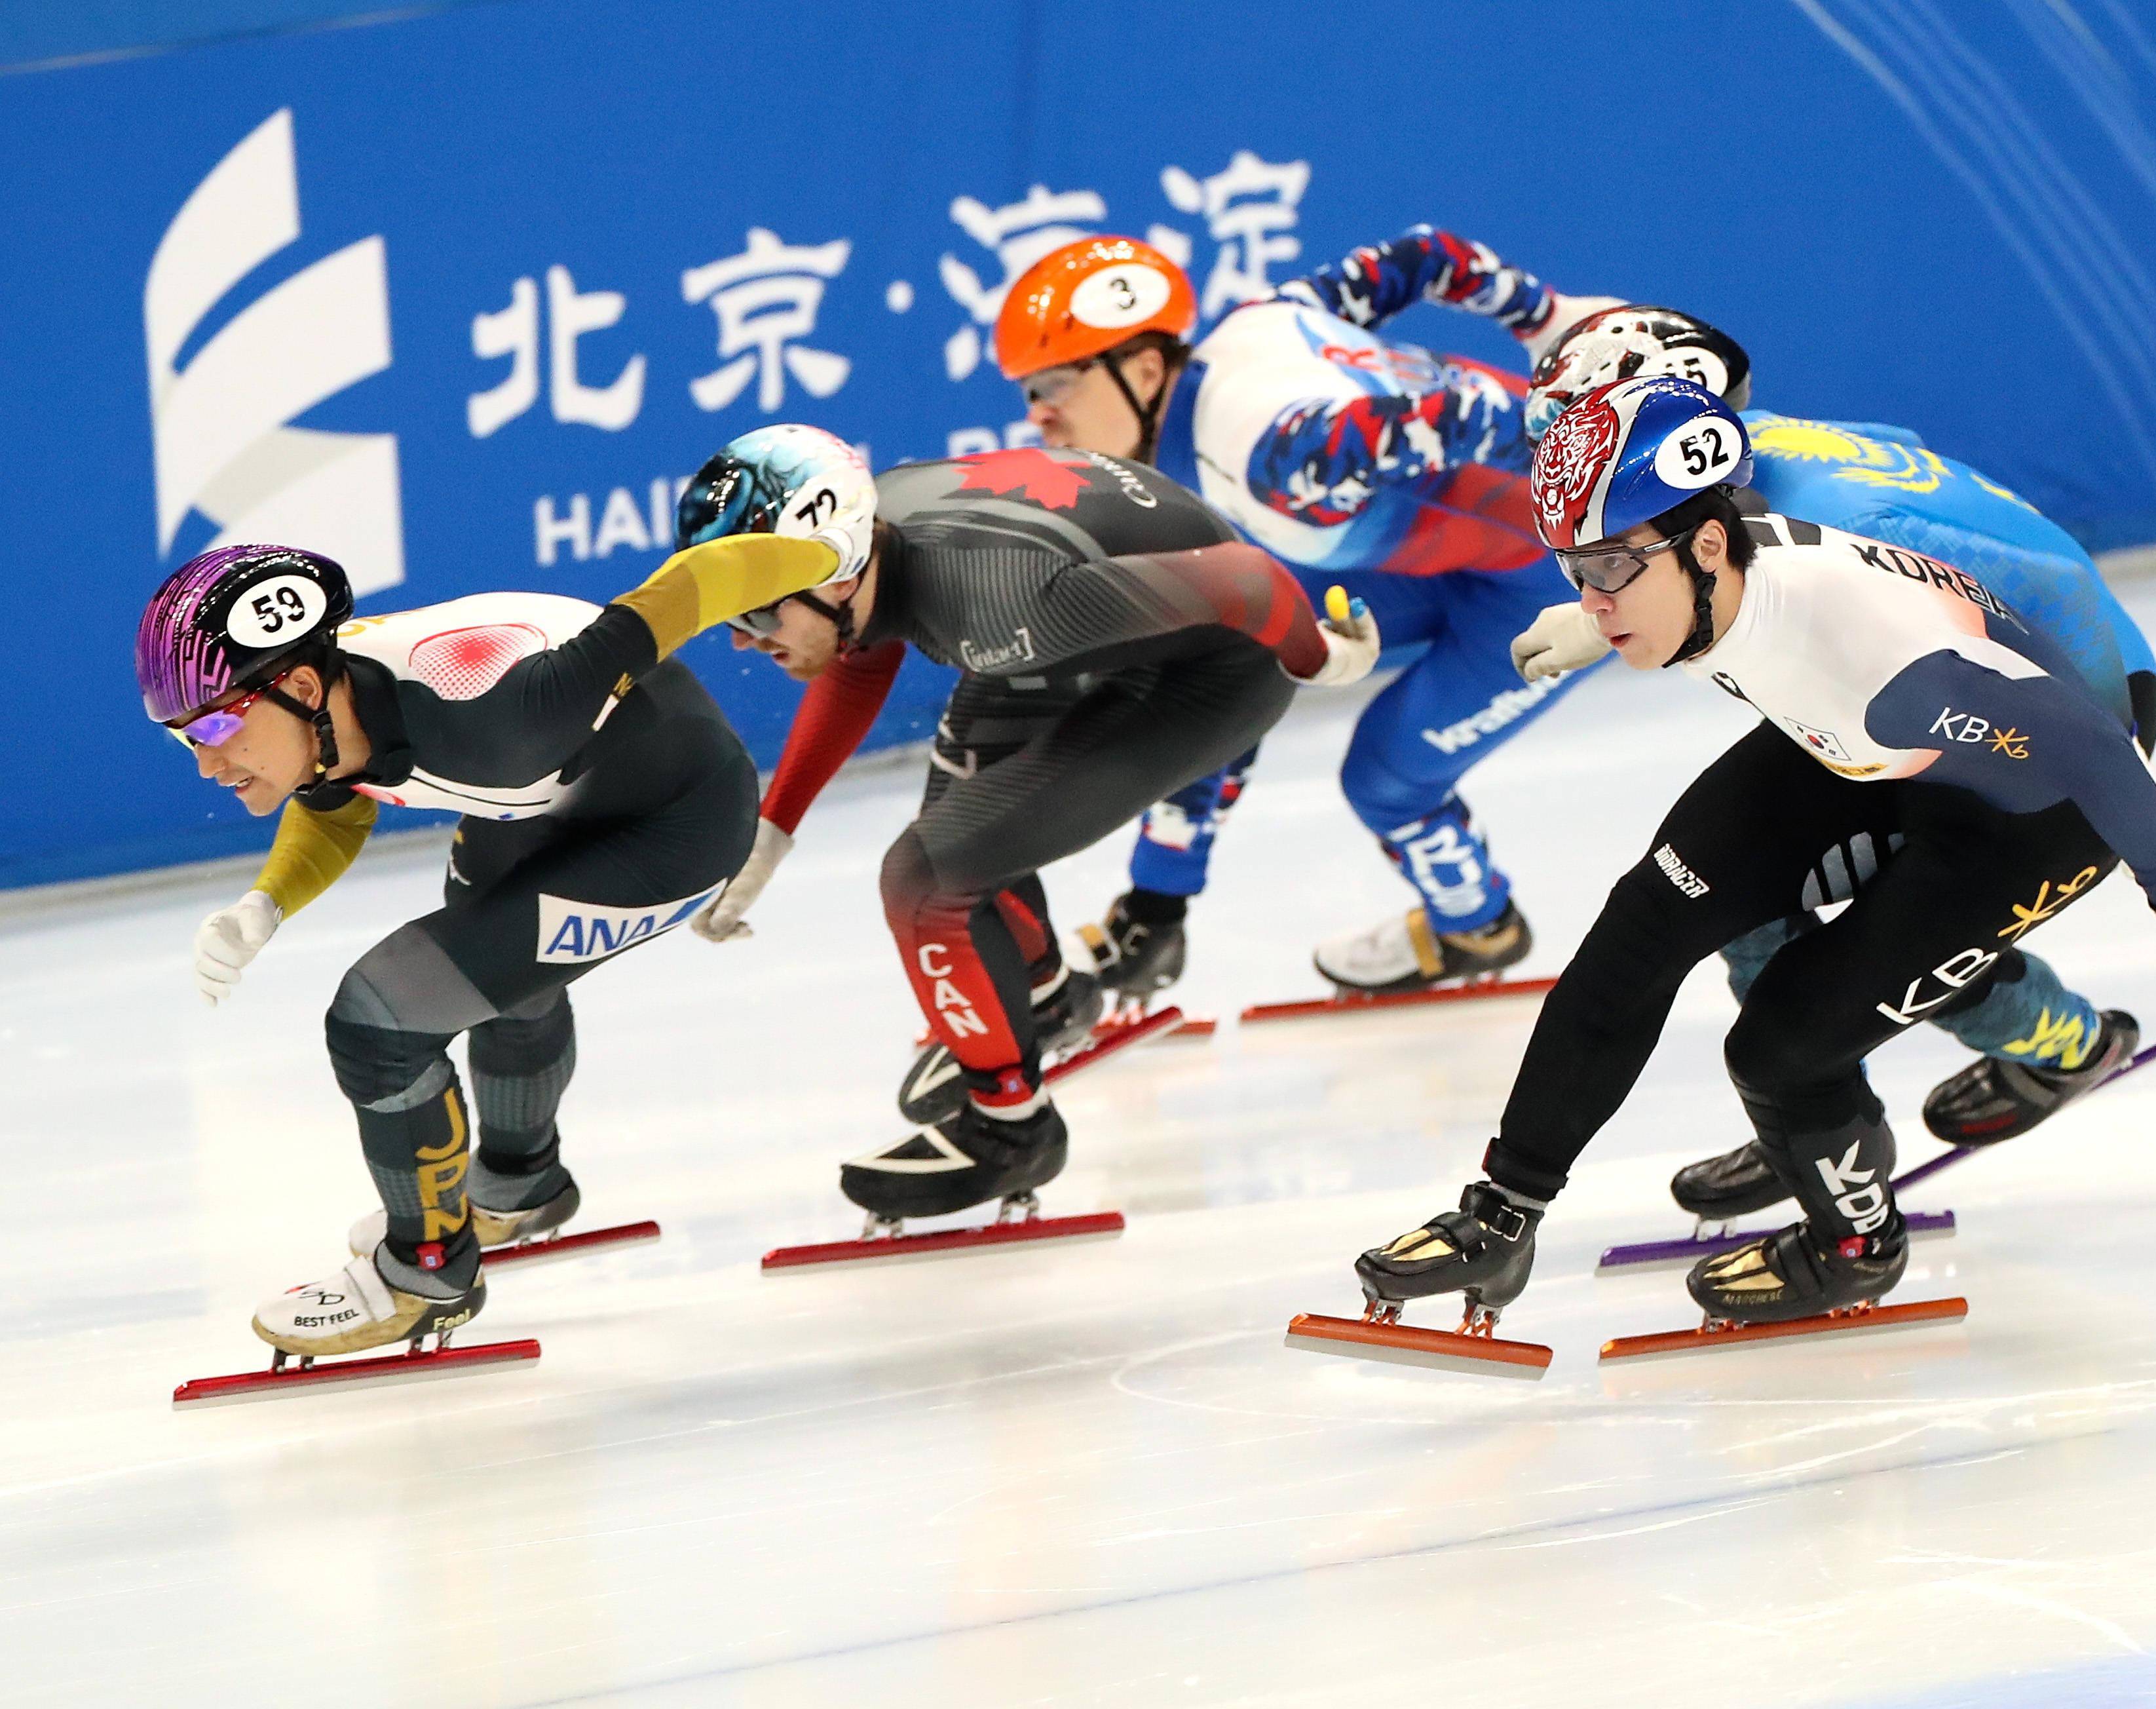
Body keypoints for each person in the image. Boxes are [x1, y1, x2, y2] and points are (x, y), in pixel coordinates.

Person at [1354, 377, 2156, 1332]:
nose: (1593, 601)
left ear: (1707, 546)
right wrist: (1602, 610)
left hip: (2033, 809)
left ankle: (1856, 1242)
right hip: (1876, 749)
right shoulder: (1713, 540)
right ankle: (1502, 1218)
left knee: (1779, 1047)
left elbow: (2097, 748)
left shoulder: (1880, 656)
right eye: (1573, 573)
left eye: (1605, 572)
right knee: (1644, 926)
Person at [138, 490, 861, 1359]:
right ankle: (520, 1184)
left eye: (216, 725)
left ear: (295, 686)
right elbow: (335, 796)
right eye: (184, 738)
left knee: (381, 1018)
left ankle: (428, 1272)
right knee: (490, 966)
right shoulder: (322, 705)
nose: (208, 760)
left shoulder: (507, 708)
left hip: (675, 825)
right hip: (555, 802)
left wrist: (837, 561)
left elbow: (696, 582)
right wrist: (269, 901)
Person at [1517, 305, 2156, 1215]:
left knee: (1892, 940)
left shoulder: (1827, 520)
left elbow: (2038, 621)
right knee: (1742, 906)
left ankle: (2060, 1043)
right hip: (1924, 683)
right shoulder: (1740, 464)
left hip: (2053, 707)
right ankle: (1814, 1111)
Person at [682, 428, 1377, 1224]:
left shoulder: (999, 602)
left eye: (756, 612)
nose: (741, 639)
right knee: (965, 829)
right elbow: (858, 653)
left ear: (836, 580)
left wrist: (1321, 659)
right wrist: (774, 830)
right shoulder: (878, 551)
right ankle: (1045, 1002)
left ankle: (1011, 1128)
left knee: (926, 880)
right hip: (1093, 607)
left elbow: (1250, 581)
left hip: (1210, 669)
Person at [991, 229, 1619, 999]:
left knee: (1385, 780)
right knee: (1217, 650)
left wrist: (1633, 489)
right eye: (1027, 391)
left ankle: (1478, 924)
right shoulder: (1262, 320)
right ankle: (1155, 912)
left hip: (1558, 581)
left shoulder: (1274, 459)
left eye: (1054, 385)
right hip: (1458, 555)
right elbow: (1424, 256)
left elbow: (1470, 408)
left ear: (1145, 370)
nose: (1038, 417)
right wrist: (1545, 316)